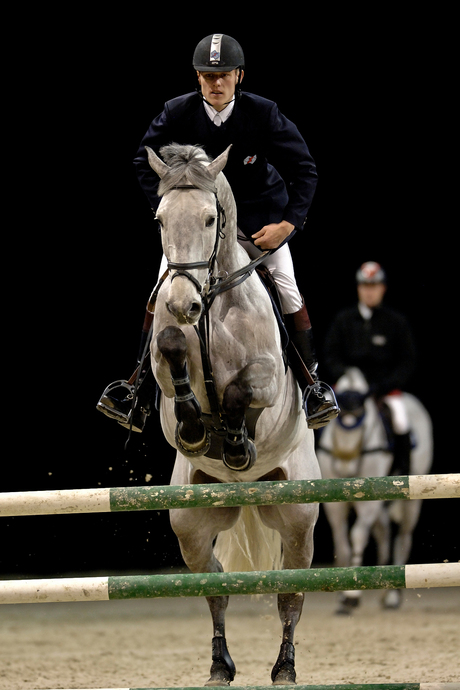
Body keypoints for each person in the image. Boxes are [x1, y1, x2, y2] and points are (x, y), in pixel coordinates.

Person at [97, 33, 338, 432]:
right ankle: (134, 388)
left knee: (287, 286)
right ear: (197, 77)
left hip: (258, 224)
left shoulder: (263, 113)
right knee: (161, 289)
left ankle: (313, 387)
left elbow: (305, 170)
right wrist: (170, 211)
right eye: (208, 76)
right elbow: (144, 159)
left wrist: (287, 225)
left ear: (239, 76)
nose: (215, 83)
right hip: (197, 231)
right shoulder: (176, 113)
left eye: (223, 75)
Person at [323, 261, 417, 474]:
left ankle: (401, 470)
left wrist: (384, 386)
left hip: (381, 390)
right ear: (358, 288)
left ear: (382, 288)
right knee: (318, 414)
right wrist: (345, 377)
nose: (369, 291)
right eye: (365, 286)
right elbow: (331, 356)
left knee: (401, 419)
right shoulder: (343, 320)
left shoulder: (396, 322)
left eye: (374, 286)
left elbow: (407, 362)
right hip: (348, 389)